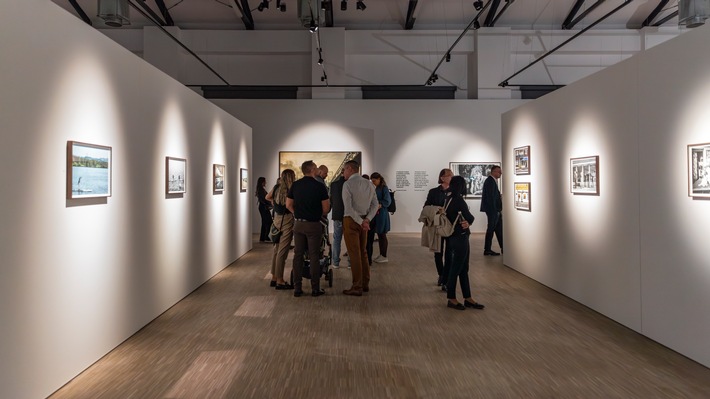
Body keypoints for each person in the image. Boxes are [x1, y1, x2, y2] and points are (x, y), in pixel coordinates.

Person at [287, 161, 330, 297]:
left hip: (298, 224)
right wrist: (315, 213)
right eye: (316, 167)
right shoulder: (319, 186)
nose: (318, 169)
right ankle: (315, 289)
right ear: (312, 170)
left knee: (298, 255)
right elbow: (326, 208)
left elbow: (288, 204)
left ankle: (297, 288)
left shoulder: (295, 185)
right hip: (313, 225)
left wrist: (296, 213)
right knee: (314, 256)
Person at [445, 176, 485, 311]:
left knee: (463, 269)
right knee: (456, 269)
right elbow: (470, 217)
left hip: (453, 237)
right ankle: (451, 298)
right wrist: (468, 221)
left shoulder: (448, 198)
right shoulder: (459, 200)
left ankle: (468, 298)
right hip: (460, 237)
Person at [342, 160, 379, 296]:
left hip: (351, 221)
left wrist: (360, 221)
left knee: (354, 253)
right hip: (364, 220)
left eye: (344, 170)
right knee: (363, 252)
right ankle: (365, 284)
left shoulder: (347, 184)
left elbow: (348, 207)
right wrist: (367, 219)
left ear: (350, 169)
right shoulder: (369, 184)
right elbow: (375, 205)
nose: (343, 173)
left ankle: (357, 286)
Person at [266, 169, 296, 290]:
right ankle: (280, 280)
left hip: (277, 219)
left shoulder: (276, 187)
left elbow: (267, 197)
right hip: (287, 220)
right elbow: (290, 205)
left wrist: (274, 202)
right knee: (282, 252)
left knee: (276, 250)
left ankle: (273, 277)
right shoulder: (291, 189)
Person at [424, 168, 453, 289]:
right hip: (437, 225)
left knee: (449, 253)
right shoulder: (433, 192)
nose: (452, 177)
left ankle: (446, 278)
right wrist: (437, 209)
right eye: (450, 175)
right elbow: (426, 206)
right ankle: (441, 275)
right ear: (442, 178)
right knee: (438, 252)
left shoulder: (454, 192)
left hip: (450, 226)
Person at [366, 173, 391, 264]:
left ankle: (384, 255)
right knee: (376, 234)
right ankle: (381, 255)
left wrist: (379, 204)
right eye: (372, 181)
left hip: (381, 214)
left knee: (382, 234)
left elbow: (387, 201)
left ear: (379, 179)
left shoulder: (384, 188)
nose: (373, 182)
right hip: (374, 214)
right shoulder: (374, 187)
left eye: (374, 181)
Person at [480, 165, 503, 256]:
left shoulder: (491, 181)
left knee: (498, 229)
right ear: (493, 172)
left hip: (494, 210)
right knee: (491, 229)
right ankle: (487, 249)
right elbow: (491, 198)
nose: (500, 173)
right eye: (498, 171)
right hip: (493, 210)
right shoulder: (490, 181)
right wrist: (496, 210)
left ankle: (502, 247)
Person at [329, 170, 349, 269]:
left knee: (337, 239)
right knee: (349, 239)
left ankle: (335, 262)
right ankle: (350, 262)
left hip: (337, 214)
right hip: (348, 215)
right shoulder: (350, 184)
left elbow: (331, 200)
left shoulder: (333, 184)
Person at [255, 177, 272, 242]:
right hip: (263, 208)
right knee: (268, 222)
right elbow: (263, 200)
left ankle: (264, 237)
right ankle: (264, 237)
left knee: (265, 222)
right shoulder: (261, 190)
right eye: (265, 181)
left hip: (263, 207)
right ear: (262, 182)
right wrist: (268, 205)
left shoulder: (261, 189)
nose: (266, 182)